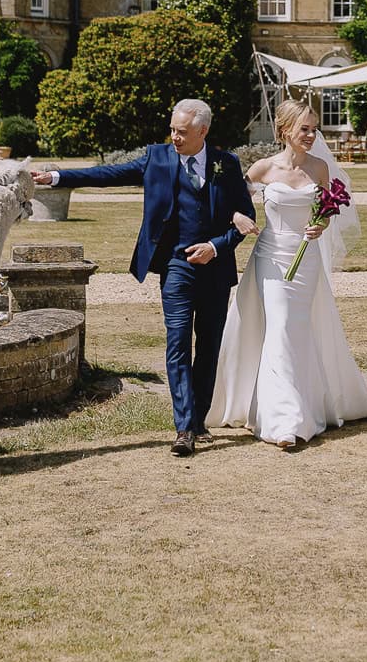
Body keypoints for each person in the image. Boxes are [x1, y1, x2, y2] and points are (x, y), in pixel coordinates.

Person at [33, 99, 255, 457]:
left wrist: (216, 246)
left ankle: (198, 418)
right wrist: (57, 177)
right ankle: (184, 429)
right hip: (175, 267)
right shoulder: (158, 158)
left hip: (216, 268)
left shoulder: (225, 164)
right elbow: (107, 175)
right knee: (178, 343)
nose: (174, 137)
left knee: (210, 345)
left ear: (203, 131)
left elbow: (245, 217)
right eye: (172, 129)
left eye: (182, 132)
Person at [209, 99, 367, 449]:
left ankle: (307, 405)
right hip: (271, 256)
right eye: (305, 129)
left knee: (298, 329)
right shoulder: (262, 169)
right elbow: (224, 198)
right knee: (281, 326)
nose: (311, 135)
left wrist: (320, 225)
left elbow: (326, 211)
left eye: (315, 129)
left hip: (307, 259)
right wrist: (238, 217)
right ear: (285, 130)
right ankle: (283, 420)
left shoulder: (319, 169)